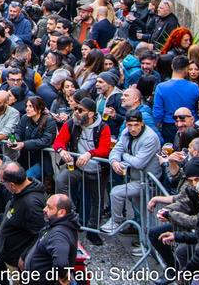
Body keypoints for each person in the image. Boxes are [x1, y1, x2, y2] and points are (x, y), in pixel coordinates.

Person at [0, 162, 47, 282]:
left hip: (18, 263)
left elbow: (41, 234)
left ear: (12, 185)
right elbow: (11, 215)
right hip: (7, 256)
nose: (1, 184)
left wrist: (25, 257)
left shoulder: (31, 204)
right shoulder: (19, 192)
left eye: (3, 182)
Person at [52, 97, 112, 245]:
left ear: (90, 114)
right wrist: (61, 150)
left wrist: (90, 153)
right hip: (77, 167)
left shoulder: (103, 127)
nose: (76, 113)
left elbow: (105, 149)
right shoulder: (72, 123)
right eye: (75, 109)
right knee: (61, 180)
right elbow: (59, 141)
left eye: (80, 110)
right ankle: (70, 216)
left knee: (97, 200)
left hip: (97, 170)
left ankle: (93, 231)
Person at [100, 109, 161, 235]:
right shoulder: (126, 133)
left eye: (136, 125)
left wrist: (124, 155)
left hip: (149, 181)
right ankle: (145, 239)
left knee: (117, 193)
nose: (133, 128)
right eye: (130, 125)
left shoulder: (150, 137)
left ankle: (116, 221)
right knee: (143, 213)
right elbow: (115, 150)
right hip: (136, 178)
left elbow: (139, 162)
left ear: (142, 123)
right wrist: (114, 161)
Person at [20, 194, 80, 285]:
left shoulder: (59, 234)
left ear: (61, 212)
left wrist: (62, 276)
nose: (44, 209)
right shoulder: (55, 223)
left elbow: (61, 263)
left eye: (49, 207)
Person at [154, 55, 199, 143]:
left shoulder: (161, 87)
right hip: (190, 125)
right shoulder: (194, 87)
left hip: (169, 126)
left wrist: (158, 126)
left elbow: (157, 113)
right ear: (187, 69)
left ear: (172, 66)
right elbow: (198, 108)